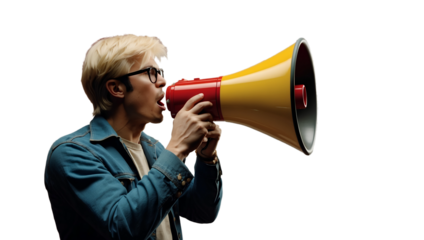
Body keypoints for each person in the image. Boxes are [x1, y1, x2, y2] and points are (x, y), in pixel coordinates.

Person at [42, 33, 224, 240]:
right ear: (116, 88)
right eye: (151, 73)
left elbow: (202, 212)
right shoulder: (71, 153)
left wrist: (206, 157)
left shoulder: (154, 148)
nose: (163, 81)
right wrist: (177, 148)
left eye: (161, 72)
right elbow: (123, 227)